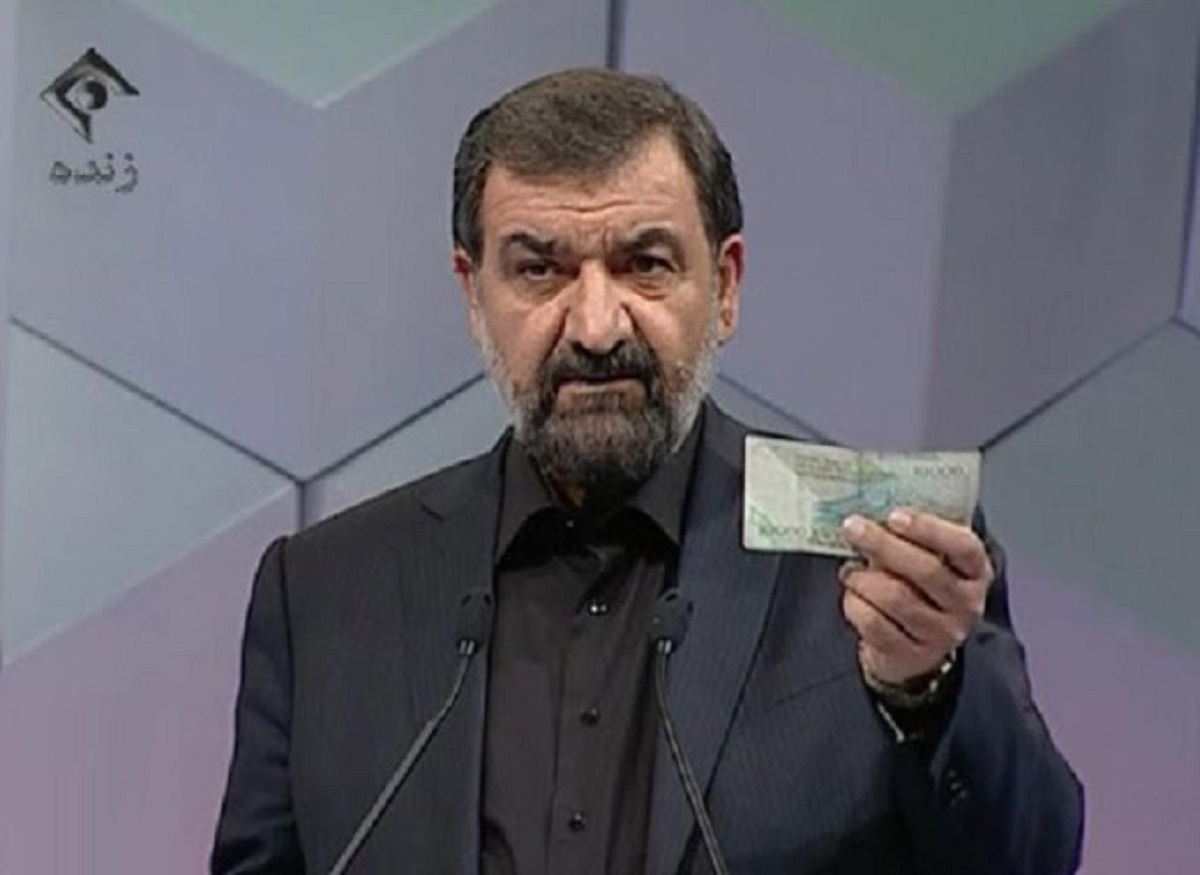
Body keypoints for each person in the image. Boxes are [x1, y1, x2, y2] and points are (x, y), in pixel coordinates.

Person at [211, 68, 1083, 874]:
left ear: (726, 285)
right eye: (540, 269)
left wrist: (926, 689)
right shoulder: (324, 590)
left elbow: (1034, 857)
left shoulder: (883, 557)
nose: (596, 326)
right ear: (473, 294)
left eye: (645, 264)